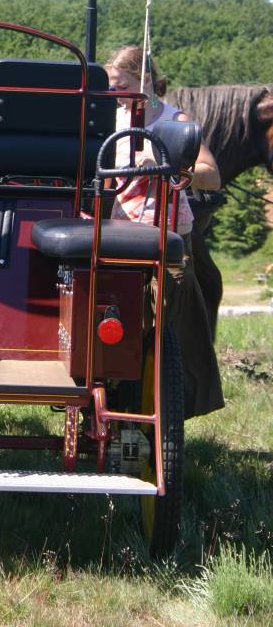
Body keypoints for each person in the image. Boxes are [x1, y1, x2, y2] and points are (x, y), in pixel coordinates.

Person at [105, 45, 224, 419]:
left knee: (172, 318)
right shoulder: (110, 118)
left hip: (167, 231)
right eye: (109, 85)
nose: (114, 93)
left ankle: (170, 400)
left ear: (144, 80)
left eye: (120, 83)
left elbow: (211, 174)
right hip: (117, 227)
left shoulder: (175, 120)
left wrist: (165, 160)